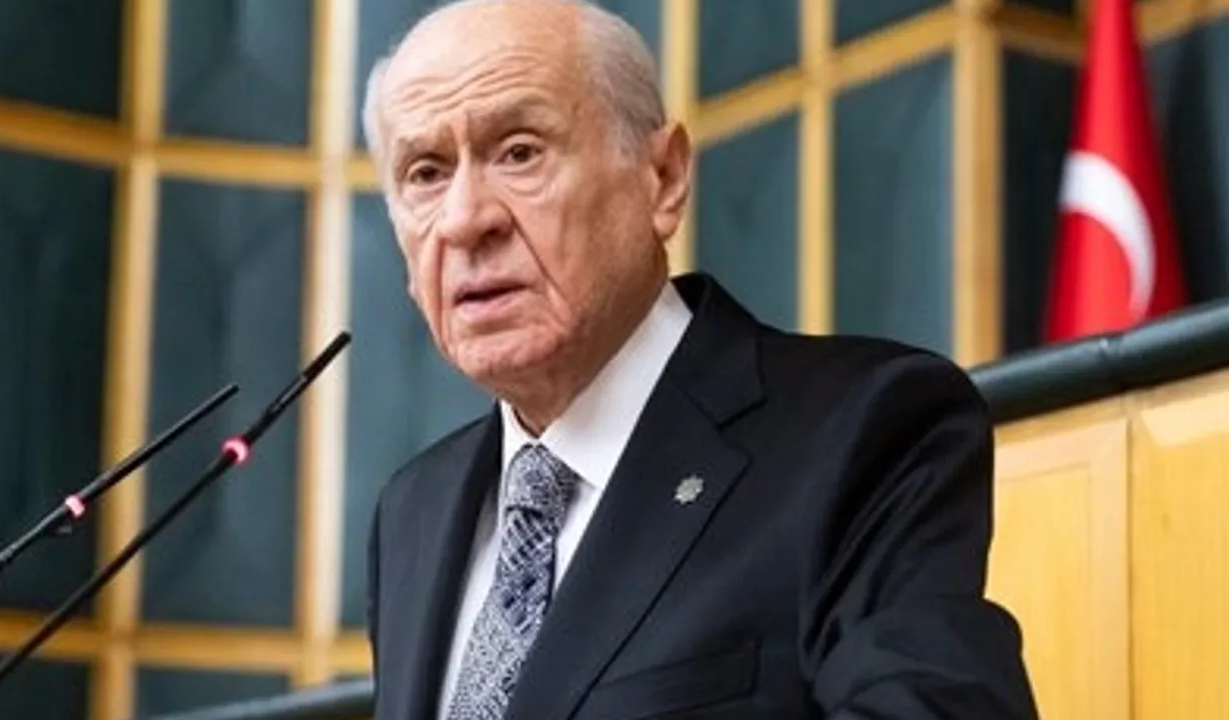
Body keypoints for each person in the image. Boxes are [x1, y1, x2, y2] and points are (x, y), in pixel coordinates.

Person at [360, 0, 1038, 718]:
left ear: (663, 178)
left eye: (520, 152)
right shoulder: (413, 512)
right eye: (426, 173)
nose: (466, 219)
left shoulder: (866, 430)